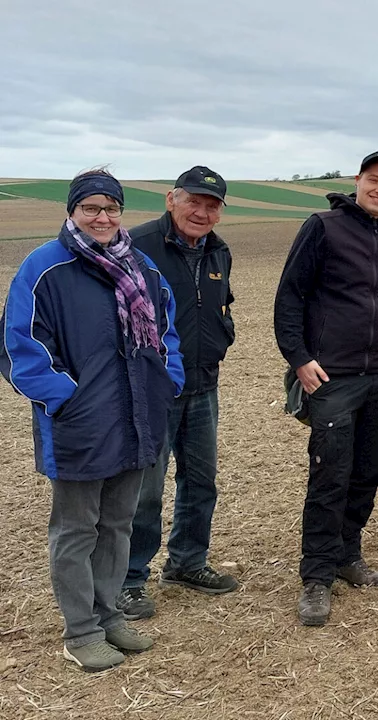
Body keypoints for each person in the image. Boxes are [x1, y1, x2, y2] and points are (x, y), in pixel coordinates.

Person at [0, 170, 183, 671]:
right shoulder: (45, 268)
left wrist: (168, 381)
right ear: (72, 211)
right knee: (77, 529)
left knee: (119, 524)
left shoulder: (142, 268)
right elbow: (22, 348)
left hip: (138, 416)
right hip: (80, 423)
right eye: (91, 208)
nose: (102, 217)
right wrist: (65, 399)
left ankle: (108, 617)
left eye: (111, 208)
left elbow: (167, 333)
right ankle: (79, 631)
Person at [273, 150, 378, 626]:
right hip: (333, 377)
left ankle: (346, 554)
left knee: (368, 471)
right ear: (358, 181)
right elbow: (290, 296)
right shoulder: (323, 227)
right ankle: (317, 576)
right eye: (373, 180)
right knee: (330, 473)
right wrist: (299, 359)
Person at [116, 166, 238, 621]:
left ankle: (187, 562)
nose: (202, 212)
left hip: (204, 382)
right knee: (145, 490)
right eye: (194, 201)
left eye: (212, 206)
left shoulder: (218, 252)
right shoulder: (136, 247)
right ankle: (129, 579)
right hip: (152, 388)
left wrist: (225, 336)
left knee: (200, 481)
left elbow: (221, 305)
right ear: (171, 199)